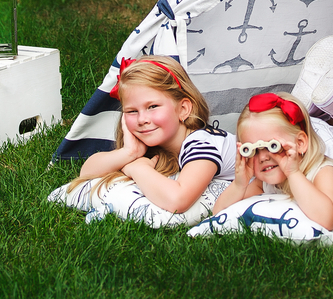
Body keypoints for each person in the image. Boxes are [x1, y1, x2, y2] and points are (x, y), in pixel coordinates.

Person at [70, 55, 236, 213]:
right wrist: (129, 152)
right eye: (132, 111)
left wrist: (138, 169)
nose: (142, 119)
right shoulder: (155, 145)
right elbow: (87, 172)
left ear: (183, 109)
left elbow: (177, 201)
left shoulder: (201, 145)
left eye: (153, 107)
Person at [212, 92, 333, 230]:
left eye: (273, 146)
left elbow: (327, 219)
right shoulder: (264, 183)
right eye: (253, 150)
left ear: (300, 143)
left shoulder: (324, 173)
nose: (263, 157)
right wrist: (239, 184)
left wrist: (293, 173)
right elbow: (219, 213)